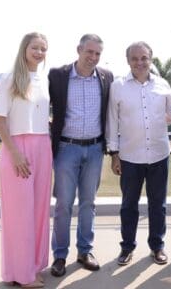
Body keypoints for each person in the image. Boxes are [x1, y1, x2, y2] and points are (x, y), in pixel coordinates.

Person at [106, 41, 171, 266]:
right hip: (129, 156)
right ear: (128, 61)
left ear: (151, 58)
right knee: (129, 205)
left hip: (159, 154)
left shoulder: (163, 84)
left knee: (158, 205)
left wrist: (159, 121)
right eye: (135, 58)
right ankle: (127, 248)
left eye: (144, 58)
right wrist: (114, 154)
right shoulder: (118, 86)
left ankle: (157, 247)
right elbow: (112, 121)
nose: (140, 62)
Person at [48, 34, 114, 277]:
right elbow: (40, 102)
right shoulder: (57, 75)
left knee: (89, 203)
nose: (93, 57)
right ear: (79, 50)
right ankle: (60, 256)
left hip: (95, 150)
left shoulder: (106, 77)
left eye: (98, 53)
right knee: (63, 205)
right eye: (89, 52)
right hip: (66, 149)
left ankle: (85, 251)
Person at [0, 32, 51, 288]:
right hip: (17, 148)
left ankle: (34, 266)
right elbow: (0, 121)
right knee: (19, 215)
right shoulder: (9, 79)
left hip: (42, 146)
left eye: (43, 48)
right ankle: (21, 274)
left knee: (39, 211)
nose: (39, 52)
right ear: (24, 49)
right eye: (35, 48)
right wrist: (16, 153)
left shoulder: (43, 79)